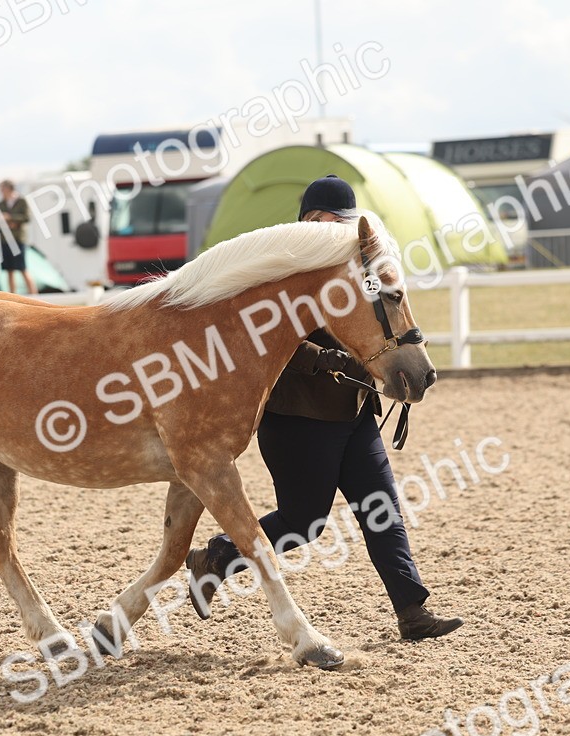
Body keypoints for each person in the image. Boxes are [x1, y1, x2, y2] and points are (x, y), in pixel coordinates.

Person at [185, 175, 463, 641]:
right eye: (336, 220)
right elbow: (267, 338)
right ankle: (217, 555)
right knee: (304, 522)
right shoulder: (283, 271)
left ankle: (412, 612)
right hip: (299, 418)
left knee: (382, 511)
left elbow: (382, 315)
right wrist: (327, 358)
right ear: (313, 219)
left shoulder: (356, 267)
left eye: (348, 222)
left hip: (354, 411)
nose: (343, 231)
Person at [0, 180, 36, 295]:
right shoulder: (1, 204)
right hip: (5, 239)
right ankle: (12, 295)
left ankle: (34, 294)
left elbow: (27, 217)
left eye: (2, 189)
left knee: (22, 268)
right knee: (9, 270)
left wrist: (11, 218)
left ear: (9, 189)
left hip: (18, 239)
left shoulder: (21, 201)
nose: (1, 192)